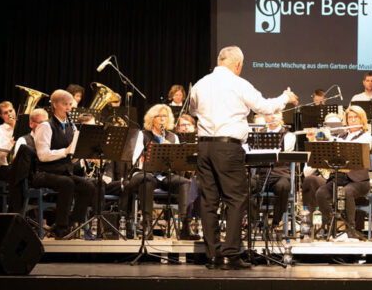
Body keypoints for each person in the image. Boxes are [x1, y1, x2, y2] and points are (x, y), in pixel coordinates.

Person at [189, 46, 297, 270]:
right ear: (238, 65)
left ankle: (213, 256)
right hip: (228, 148)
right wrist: (285, 97)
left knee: (209, 202)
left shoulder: (199, 84)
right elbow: (265, 107)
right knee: (236, 200)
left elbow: (193, 111)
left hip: (204, 147)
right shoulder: (239, 84)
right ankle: (231, 255)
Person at [122, 104, 194, 240]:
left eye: (165, 116)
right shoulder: (142, 135)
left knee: (185, 182)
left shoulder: (173, 137)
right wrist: (153, 155)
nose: (162, 119)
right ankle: (147, 225)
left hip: (165, 176)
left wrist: (171, 151)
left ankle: (185, 226)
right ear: (152, 119)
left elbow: (178, 162)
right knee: (147, 180)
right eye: (159, 116)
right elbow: (135, 159)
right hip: (145, 173)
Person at [33, 89, 97, 239]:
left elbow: (71, 157)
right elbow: (42, 156)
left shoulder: (71, 127)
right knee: (67, 183)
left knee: (88, 186)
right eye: (65, 105)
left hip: (63, 172)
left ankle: (72, 222)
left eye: (70, 105)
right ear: (55, 105)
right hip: (44, 173)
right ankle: (61, 229)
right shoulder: (45, 126)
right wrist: (66, 151)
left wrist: (81, 154)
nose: (69, 108)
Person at [315, 105, 372, 239]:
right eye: (350, 118)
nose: (352, 121)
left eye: (356, 118)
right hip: (339, 178)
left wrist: (332, 138)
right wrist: (321, 138)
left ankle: (350, 229)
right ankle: (331, 224)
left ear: (362, 120)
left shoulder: (366, 137)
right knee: (321, 193)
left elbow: (353, 149)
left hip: (359, 181)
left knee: (346, 192)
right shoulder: (342, 136)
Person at [249, 112, 296, 237]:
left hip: (280, 174)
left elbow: (283, 151)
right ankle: (254, 222)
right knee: (244, 185)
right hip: (261, 175)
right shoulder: (258, 134)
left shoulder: (289, 135)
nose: (273, 117)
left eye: (276, 114)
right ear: (265, 117)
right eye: (270, 114)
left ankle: (276, 223)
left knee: (283, 186)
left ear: (281, 117)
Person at [0, 101, 16, 172]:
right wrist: (10, 143)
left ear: (14, 110)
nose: (9, 114)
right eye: (5, 113)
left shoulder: (23, 128)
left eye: (10, 111)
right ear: (1, 116)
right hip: (6, 167)